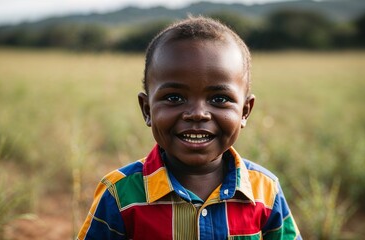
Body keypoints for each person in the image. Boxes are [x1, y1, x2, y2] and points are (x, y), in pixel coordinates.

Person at [77, 16, 301, 240]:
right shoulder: (118, 195)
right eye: (174, 97)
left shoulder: (266, 191)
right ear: (147, 109)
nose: (197, 113)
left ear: (245, 111)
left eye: (220, 99)